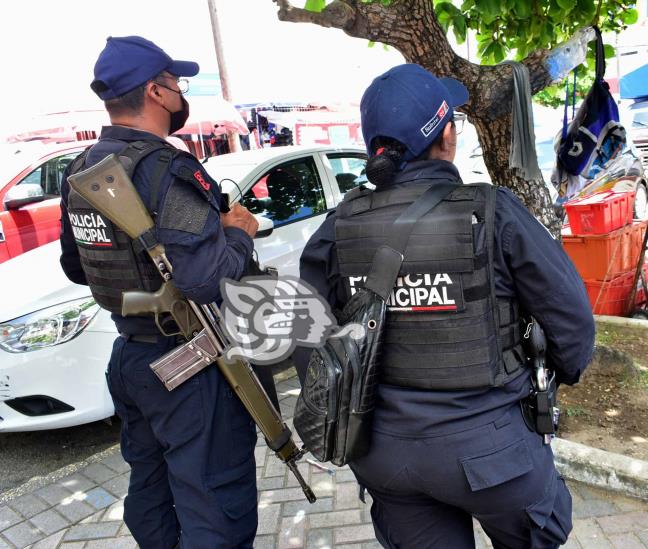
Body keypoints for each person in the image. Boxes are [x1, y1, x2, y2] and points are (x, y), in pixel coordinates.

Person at [296, 63, 595, 548]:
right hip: (494, 453)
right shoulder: (492, 210)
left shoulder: (337, 228)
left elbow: (308, 342)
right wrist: (558, 377)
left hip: (387, 458)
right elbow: (572, 322)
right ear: (447, 136)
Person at [59, 36, 261, 549]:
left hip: (130, 358)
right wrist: (238, 232)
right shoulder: (165, 167)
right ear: (155, 91)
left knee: (151, 488)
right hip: (188, 365)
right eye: (177, 85)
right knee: (215, 501)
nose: (180, 95)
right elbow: (202, 279)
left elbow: (75, 267)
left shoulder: (83, 167)